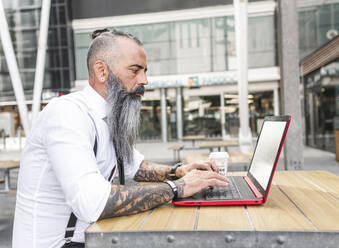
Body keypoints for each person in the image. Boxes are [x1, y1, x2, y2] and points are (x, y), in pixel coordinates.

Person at [12, 29, 228, 248]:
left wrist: (179, 171)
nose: (144, 80)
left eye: (144, 71)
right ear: (101, 71)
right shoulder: (67, 114)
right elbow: (93, 203)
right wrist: (177, 187)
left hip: (89, 239)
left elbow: (136, 166)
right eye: (135, 71)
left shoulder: (108, 116)